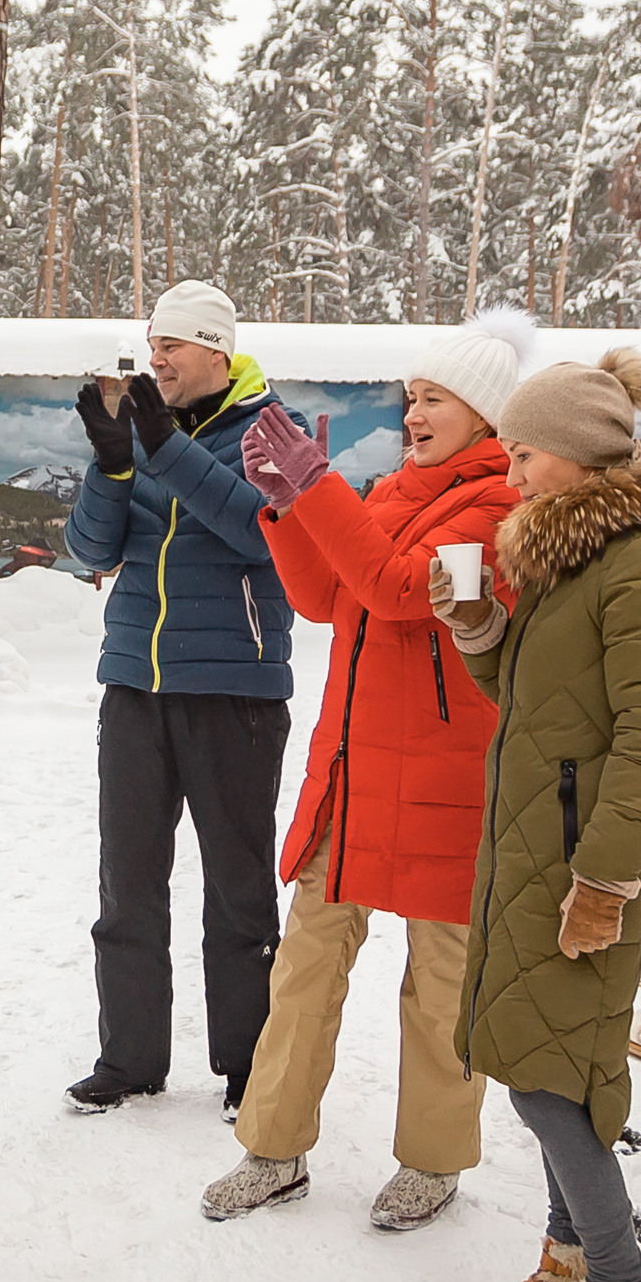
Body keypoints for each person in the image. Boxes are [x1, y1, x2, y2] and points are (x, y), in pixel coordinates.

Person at [431, 348, 641, 1282]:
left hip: (575, 871)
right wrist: (477, 626)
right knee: (539, 1060)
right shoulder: (571, 560)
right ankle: (564, 1273)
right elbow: (525, 697)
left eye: (521, 454)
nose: (510, 475)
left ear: (575, 451)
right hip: (531, 855)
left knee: (553, 1086)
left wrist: (602, 882)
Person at [200, 311, 529, 1231]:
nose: (414, 414)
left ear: (486, 413)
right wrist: (284, 502)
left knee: (441, 987)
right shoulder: (391, 490)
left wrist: (320, 487)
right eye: (411, 398)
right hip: (350, 776)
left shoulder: (503, 512)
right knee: (304, 967)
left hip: (444, 788)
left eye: (433, 400)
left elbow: (398, 591)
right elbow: (320, 598)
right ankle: (272, 1148)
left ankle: (433, 1160)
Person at [61, 281, 301, 1118]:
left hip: (234, 691)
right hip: (135, 683)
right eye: (151, 343)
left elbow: (259, 529)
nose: (155, 358)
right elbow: (90, 547)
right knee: (126, 883)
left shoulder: (276, 431)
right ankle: (129, 1057)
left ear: (218, 354)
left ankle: (246, 1064)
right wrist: (114, 463)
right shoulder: (143, 432)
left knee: (237, 890)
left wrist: (161, 451)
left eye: (172, 346)